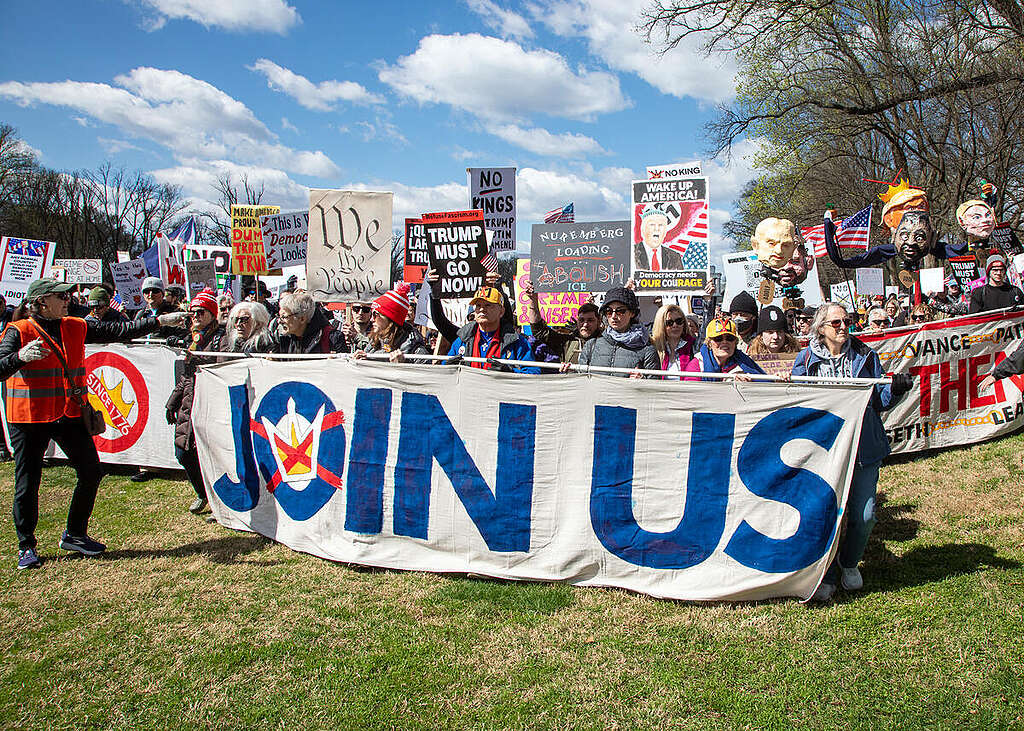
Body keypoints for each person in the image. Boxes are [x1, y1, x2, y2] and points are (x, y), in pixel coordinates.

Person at [0, 278, 187, 568]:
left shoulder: (75, 325)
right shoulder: (18, 331)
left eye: (66, 295)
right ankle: (26, 544)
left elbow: (121, 329)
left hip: (68, 413)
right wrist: (19, 357)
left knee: (90, 470)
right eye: (59, 296)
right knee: (28, 481)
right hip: (29, 417)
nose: (68, 300)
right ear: (40, 303)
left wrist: (160, 321)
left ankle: (75, 534)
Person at [791, 302, 912, 600]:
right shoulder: (805, 360)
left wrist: (895, 388)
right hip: (823, 448)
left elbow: (880, 399)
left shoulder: (866, 355)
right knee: (825, 514)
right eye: (836, 323)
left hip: (862, 446)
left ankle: (849, 563)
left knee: (865, 514)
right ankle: (826, 573)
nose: (844, 326)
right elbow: (795, 400)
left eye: (847, 321)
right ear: (821, 328)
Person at [165, 289, 225, 514]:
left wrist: (199, 357)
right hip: (190, 402)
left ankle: (218, 499)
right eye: (193, 313)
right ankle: (202, 493)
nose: (196, 317)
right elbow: (186, 376)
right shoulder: (193, 338)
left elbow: (222, 368)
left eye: (201, 312)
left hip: (210, 402)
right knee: (183, 453)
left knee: (213, 454)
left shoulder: (221, 338)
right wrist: (173, 401)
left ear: (212, 314)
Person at [446, 287, 539, 373]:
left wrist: (509, 372)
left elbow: (533, 373)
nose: (482, 309)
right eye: (478, 306)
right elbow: (442, 371)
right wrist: (448, 367)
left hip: (501, 390)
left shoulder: (517, 342)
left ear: (501, 311)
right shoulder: (462, 339)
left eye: (488, 305)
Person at [577, 286, 658, 376]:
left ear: (632, 313)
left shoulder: (647, 350)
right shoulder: (591, 345)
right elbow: (580, 378)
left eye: (620, 311)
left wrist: (641, 381)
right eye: (609, 311)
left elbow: (654, 385)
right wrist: (567, 372)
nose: (614, 316)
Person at [523, 281, 602, 364]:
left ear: (599, 321)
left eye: (590, 320)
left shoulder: (608, 343)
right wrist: (533, 300)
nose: (585, 324)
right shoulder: (568, 342)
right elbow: (539, 331)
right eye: (581, 320)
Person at [353, 283, 430, 362]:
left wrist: (401, 366)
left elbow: (427, 373)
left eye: (375, 314)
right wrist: (361, 361)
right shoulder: (374, 342)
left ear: (390, 319)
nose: (372, 319)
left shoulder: (416, 351)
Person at [273, 290, 348, 354]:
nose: (279, 321)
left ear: (302, 319)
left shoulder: (332, 339)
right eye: (279, 316)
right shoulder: (283, 340)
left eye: (284, 317)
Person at [695, 317, 765, 379]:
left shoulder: (746, 364)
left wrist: (746, 387)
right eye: (718, 338)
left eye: (730, 338)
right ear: (709, 343)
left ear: (735, 342)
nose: (724, 342)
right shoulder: (697, 364)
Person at [651, 303, 699, 379]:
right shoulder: (653, 348)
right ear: (661, 325)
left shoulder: (694, 345)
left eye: (679, 321)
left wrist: (708, 300)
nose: (675, 325)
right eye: (669, 323)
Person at [634, 206, 683, 271]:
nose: (657, 229)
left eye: (660, 225)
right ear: (643, 229)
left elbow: (683, 280)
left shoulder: (675, 257)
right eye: (652, 225)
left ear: (665, 232)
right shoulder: (632, 253)